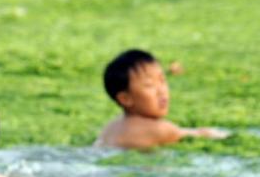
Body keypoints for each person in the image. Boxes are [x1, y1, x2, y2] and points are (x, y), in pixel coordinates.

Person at [95, 49, 230, 149]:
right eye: (149, 85)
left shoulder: (111, 127)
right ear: (125, 99)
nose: (161, 91)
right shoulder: (160, 129)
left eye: (162, 81)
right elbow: (198, 134)